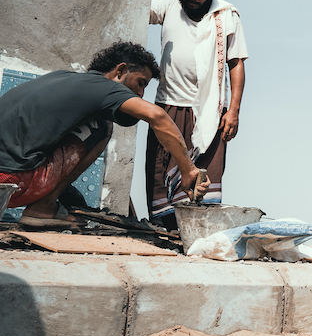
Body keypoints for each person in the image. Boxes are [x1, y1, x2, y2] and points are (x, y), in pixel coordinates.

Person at [0, 42, 208, 228]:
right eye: (141, 83)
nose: (142, 93)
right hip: (14, 180)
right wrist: (188, 170)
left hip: (5, 186)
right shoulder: (105, 88)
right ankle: (43, 207)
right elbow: (157, 116)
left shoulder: (61, 77)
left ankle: (50, 200)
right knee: (103, 126)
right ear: (121, 70)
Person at [143, 0, 248, 229]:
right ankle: (168, 237)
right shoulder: (167, 5)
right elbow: (134, 9)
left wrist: (234, 111)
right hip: (167, 105)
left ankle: (199, 237)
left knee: (207, 179)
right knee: (160, 177)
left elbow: (236, 63)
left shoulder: (227, 15)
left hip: (211, 111)